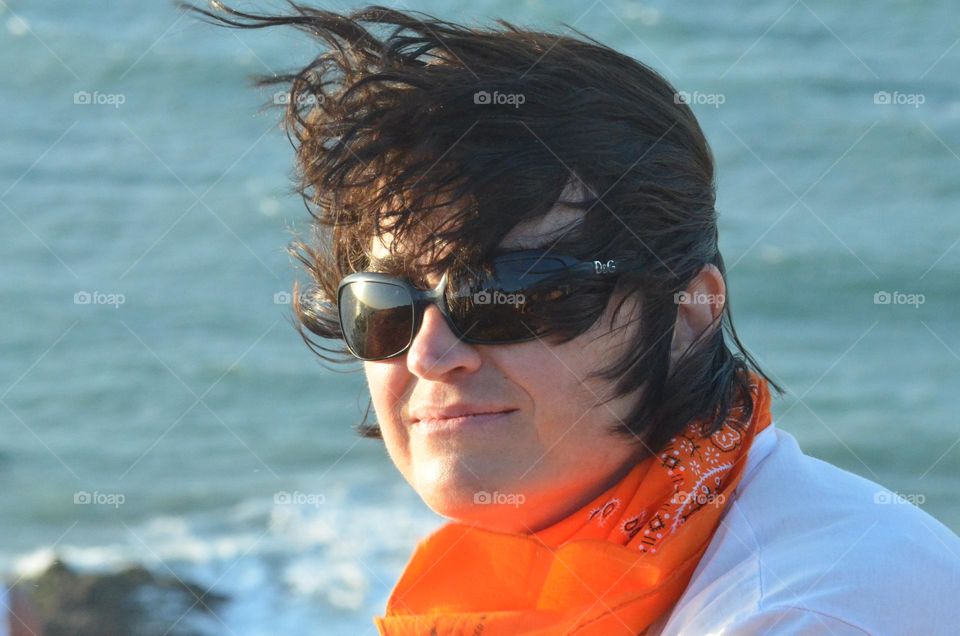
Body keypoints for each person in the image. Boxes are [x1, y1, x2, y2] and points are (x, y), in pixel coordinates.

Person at [185, 3, 960, 634]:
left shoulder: (819, 608)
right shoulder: (534, 577)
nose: (429, 354)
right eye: (386, 309)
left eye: (512, 297)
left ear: (690, 313)